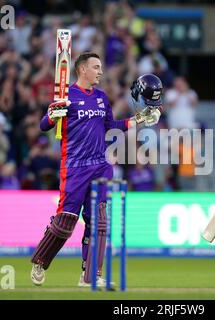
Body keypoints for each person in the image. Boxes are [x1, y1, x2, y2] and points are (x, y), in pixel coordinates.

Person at [30, 52, 162, 287]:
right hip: (74, 167)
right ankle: (40, 261)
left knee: (99, 221)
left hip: (100, 166)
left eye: (101, 67)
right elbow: (43, 125)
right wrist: (53, 115)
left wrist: (140, 119)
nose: (101, 71)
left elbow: (112, 126)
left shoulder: (101, 97)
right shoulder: (66, 96)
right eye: (96, 67)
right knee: (65, 223)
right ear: (82, 70)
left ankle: (91, 274)